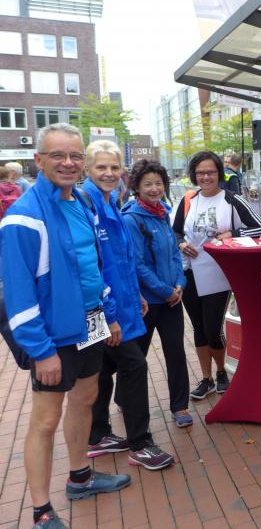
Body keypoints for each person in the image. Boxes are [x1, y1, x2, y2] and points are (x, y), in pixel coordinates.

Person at [0, 123, 130, 529]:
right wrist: (41, 351)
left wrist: (108, 314)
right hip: (54, 334)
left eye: (75, 155)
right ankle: (41, 511)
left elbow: (92, 267)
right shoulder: (23, 216)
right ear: (38, 160)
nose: (68, 163)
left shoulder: (83, 202)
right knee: (45, 420)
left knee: (85, 399)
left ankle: (80, 477)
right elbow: (18, 293)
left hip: (90, 322)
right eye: (58, 155)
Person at [82, 141, 175, 470]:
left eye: (113, 167)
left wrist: (136, 296)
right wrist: (109, 318)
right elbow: (90, 267)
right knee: (134, 366)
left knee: (101, 369)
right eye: (100, 167)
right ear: (87, 170)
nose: (108, 173)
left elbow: (121, 260)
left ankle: (97, 434)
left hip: (116, 304)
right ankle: (140, 443)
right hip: (100, 309)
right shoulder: (87, 206)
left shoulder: (110, 202)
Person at [173, 151, 261, 400]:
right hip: (189, 272)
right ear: (194, 175)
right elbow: (175, 232)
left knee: (213, 328)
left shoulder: (231, 199)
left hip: (218, 273)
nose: (206, 177)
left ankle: (221, 371)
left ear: (219, 174)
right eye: (201, 173)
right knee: (199, 329)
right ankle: (207, 379)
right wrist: (181, 243)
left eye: (211, 172)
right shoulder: (188, 200)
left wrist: (232, 233)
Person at [122, 159, 194, 428]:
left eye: (159, 183)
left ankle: (180, 405)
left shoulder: (163, 213)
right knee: (136, 357)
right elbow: (137, 264)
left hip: (173, 300)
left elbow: (174, 253)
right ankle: (123, 396)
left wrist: (180, 284)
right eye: (148, 184)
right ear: (137, 188)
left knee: (176, 353)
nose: (154, 189)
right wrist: (165, 291)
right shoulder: (131, 219)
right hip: (147, 303)